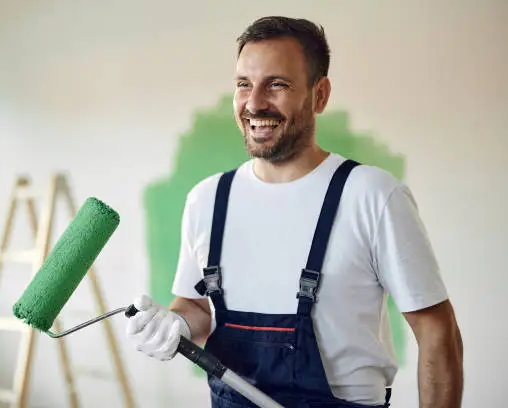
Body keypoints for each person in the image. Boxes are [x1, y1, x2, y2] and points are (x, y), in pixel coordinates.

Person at [125, 16, 463, 408]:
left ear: (320, 95)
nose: (254, 103)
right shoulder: (207, 200)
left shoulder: (372, 195)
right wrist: (177, 324)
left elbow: (438, 332)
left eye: (277, 85)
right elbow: (196, 306)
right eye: (243, 85)